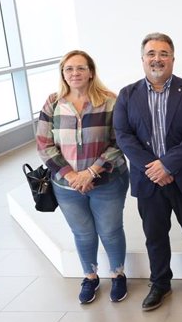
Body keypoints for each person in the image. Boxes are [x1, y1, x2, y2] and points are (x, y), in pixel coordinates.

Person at [113, 32, 182, 311]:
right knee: (155, 235)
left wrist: (168, 164)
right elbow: (123, 135)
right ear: (143, 58)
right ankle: (160, 283)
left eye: (163, 53)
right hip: (149, 181)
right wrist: (154, 168)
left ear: (172, 58)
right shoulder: (127, 94)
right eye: (151, 53)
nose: (157, 59)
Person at [36, 50, 129, 304]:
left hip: (108, 181)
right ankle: (90, 277)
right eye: (69, 69)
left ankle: (118, 274)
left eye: (80, 68)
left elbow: (120, 142)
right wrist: (72, 175)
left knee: (110, 231)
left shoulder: (110, 101)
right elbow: (44, 144)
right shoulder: (53, 102)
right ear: (62, 73)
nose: (74, 73)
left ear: (91, 72)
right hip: (67, 185)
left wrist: (90, 172)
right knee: (83, 233)